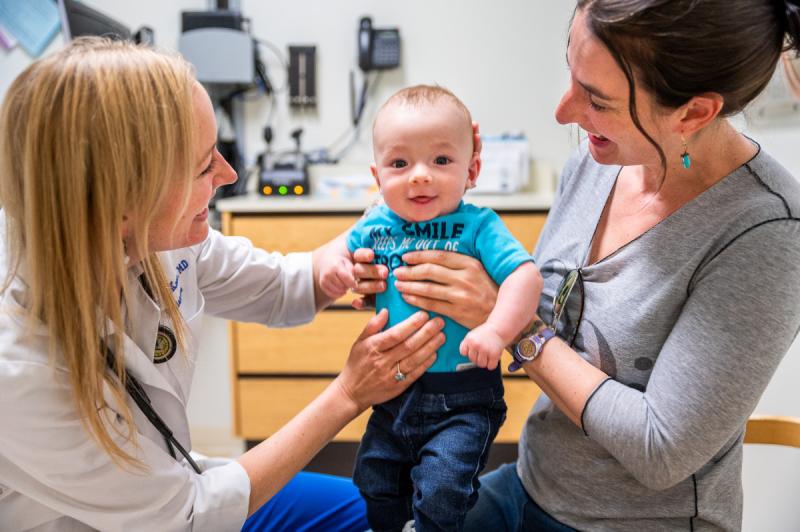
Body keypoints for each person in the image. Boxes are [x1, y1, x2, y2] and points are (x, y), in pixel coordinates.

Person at [352, 1, 800, 530]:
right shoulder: (597, 159)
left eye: (597, 100)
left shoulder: (766, 231)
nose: (563, 112)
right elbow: (537, 307)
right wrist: (414, 280)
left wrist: (510, 322)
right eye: (572, 72)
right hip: (528, 483)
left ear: (693, 113)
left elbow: (661, 450)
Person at [0, 37, 447, 531]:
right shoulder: (16, 368)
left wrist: (394, 216)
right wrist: (349, 393)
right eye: (204, 165)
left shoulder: (154, 237)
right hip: (131, 518)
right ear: (124, 200)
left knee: (386, 509)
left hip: (173, 488)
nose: (229, 174)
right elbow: (186, 518)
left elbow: (282, 284)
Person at [324, 85, 542, 530]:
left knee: (442, 491)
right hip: (393, 392)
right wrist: (336, 270)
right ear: (378, 174)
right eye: (400, 163)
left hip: (463, 398)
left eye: (441, 160)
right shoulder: (376, 224)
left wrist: (496, 331)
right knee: (374, 478)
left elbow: (525, 277)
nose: (420, 176)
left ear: (472, 168)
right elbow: (338, 253)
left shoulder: (478, 225)